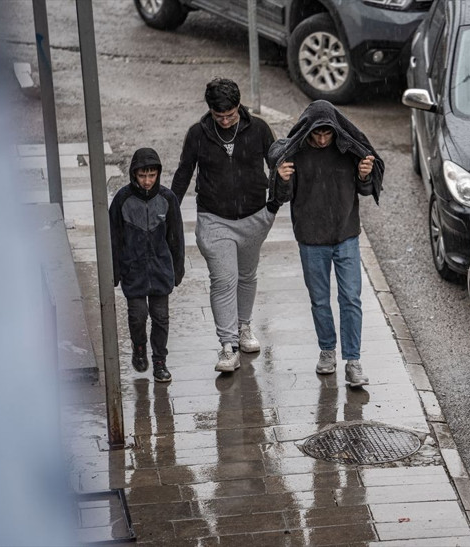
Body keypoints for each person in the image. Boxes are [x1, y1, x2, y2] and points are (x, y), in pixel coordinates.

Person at [269, 100, 384, 387]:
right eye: (316, 135)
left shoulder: (347, 149)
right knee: (320, 300)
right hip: (311, 239)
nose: (321, 140)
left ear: (335, 131)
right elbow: (283, 197)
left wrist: (364, 174)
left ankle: (353, 361)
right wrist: (282, 180)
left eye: (326, 135)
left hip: (346, 235)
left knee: (351, 299)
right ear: (307, 131)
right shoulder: (296, 154)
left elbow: (365, 190)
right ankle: (327, 351)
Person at [172, 78, 278, 373]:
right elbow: (184, 172)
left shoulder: (258, 129)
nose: (226, 121)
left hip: (254, 216)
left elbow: (278, 166)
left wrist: (274, 204)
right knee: (223, 279)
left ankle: (244, 327)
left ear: (239, 107)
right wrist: (168, 209)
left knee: (246, 275)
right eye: (220, 117)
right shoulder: (198, 134)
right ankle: (227, 345)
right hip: (214, 218)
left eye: (231, 115)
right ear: (210, 112)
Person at [109, 148, 185, 383]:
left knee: (161, 317)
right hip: (134, 271)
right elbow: (113, 238)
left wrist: (177, 269)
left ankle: (160, 361)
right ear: (134, 174)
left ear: (158, 174)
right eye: (142, 175)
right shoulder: (122, 199)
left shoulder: (167, 199)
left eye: (152, 175)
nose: (147, 181)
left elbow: (176, 237)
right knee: (138, 316)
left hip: (161, 270)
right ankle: (139, 346)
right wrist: (115, 272)